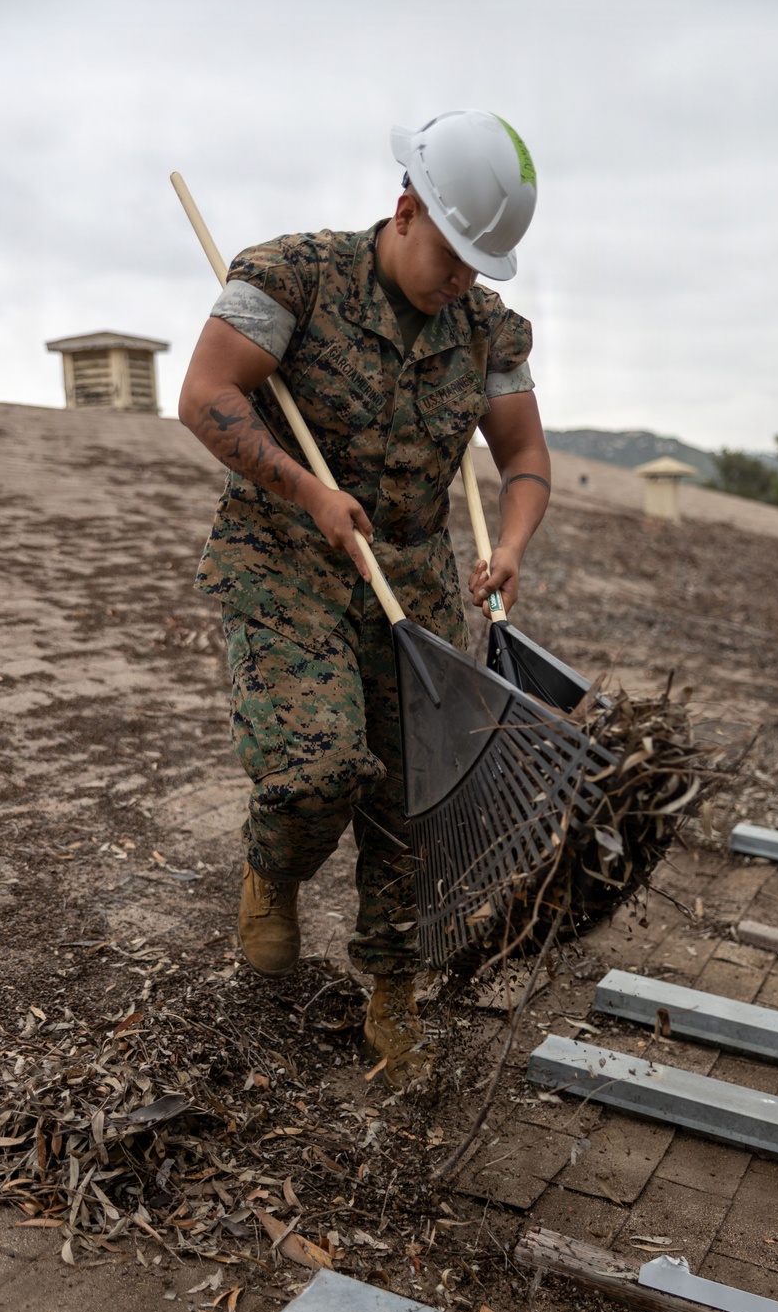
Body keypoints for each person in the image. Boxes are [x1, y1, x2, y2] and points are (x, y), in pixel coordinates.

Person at [178, 110, 551, 1090]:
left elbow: (521, 455)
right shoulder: (289, 275)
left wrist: (508, 544)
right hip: (284, 559)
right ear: (403, 211)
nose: (463, 281)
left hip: (414, 582)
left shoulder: (488, 332)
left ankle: (390, 983)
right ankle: (273, 869)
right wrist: (305, 487)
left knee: (411, 797)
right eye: (453, 255)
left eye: (482, 265)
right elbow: (205, 394)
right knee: (318, 767)